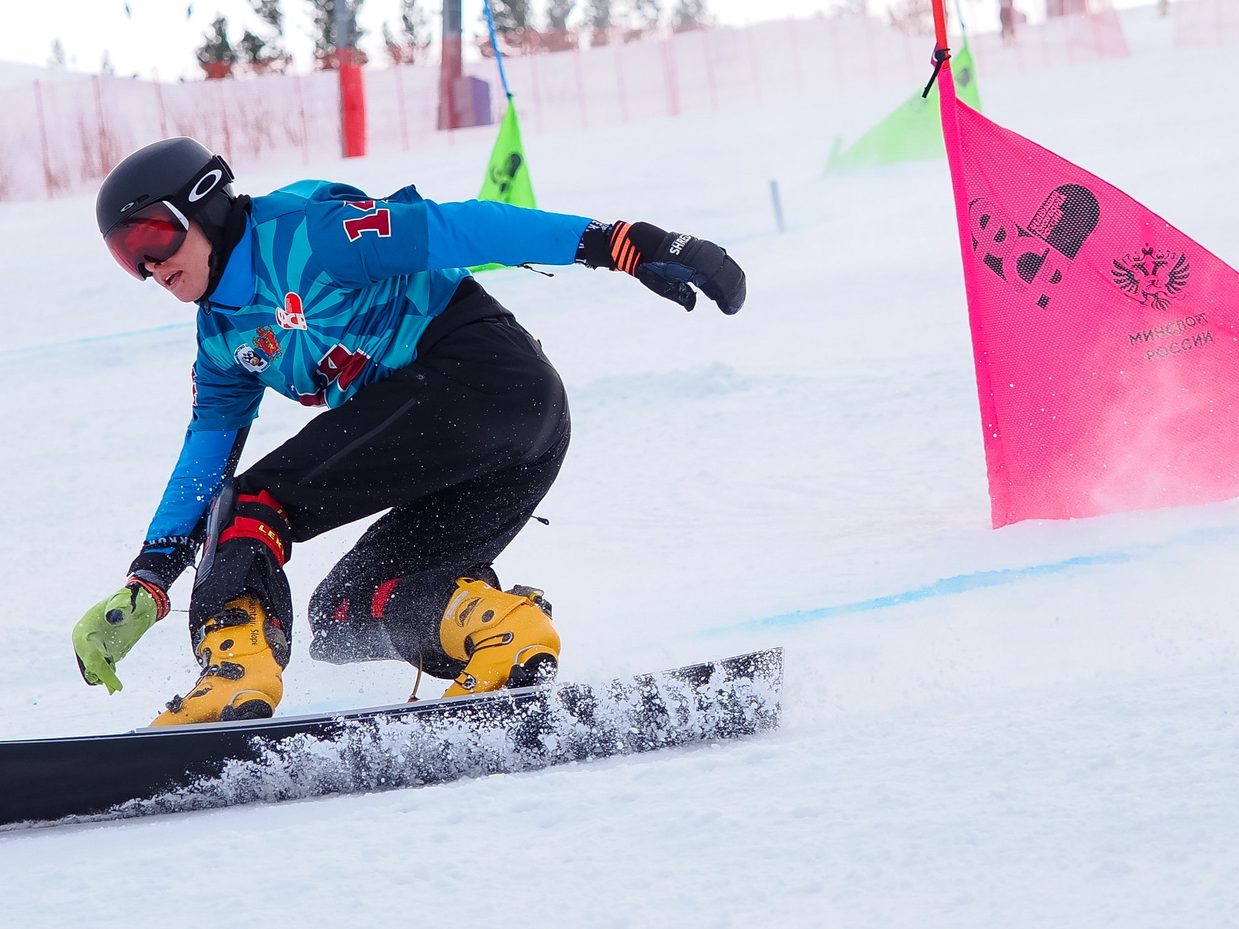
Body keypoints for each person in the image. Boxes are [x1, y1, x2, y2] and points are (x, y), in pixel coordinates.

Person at [71, 136, 747, 724]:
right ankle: (503, 631)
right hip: (495, 443)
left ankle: (235, 673)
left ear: (207, 201)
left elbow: (461, 228)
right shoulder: (222, 336)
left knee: (252, 505)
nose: (150, 266)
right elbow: (206, 451)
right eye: (126, 255)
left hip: (482, 380)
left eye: (152, 235)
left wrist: (621, 244)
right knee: (345, 613)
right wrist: (152, 575)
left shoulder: (308, 235)